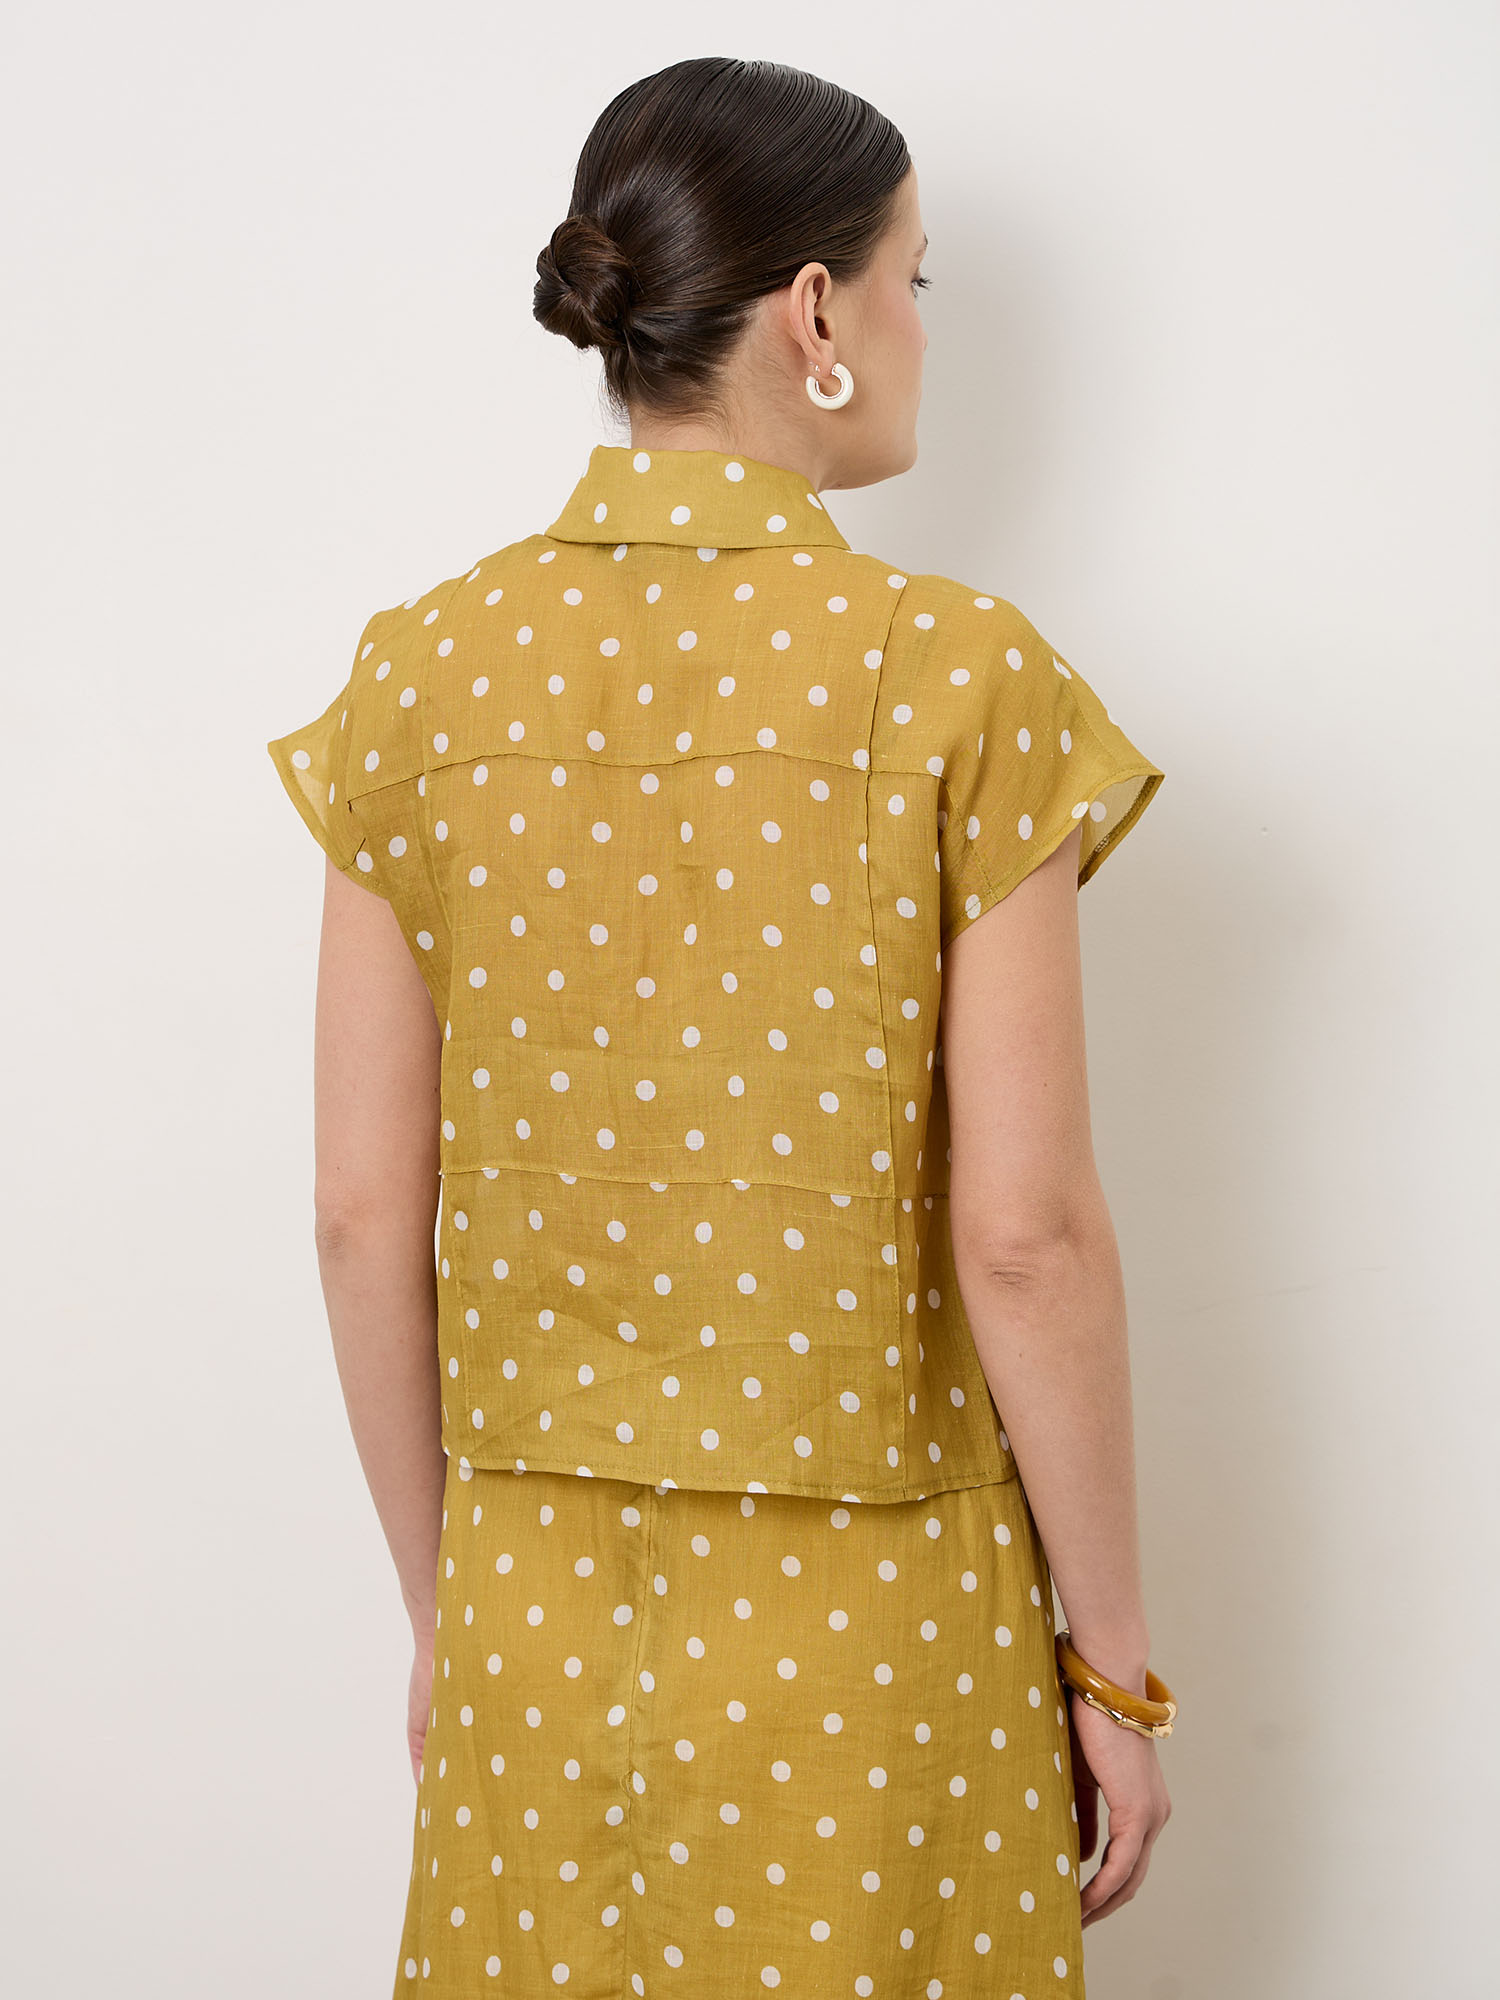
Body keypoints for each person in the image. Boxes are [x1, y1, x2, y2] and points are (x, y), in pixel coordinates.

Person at [266, 55, 1174, 2000]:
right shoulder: (959, 679)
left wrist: (447, 1604)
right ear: (818, 313)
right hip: (883, 1623)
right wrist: (1113, 1669)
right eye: (918, 279)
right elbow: (1026, 1238)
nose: (927, 326)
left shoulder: (420, 678)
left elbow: (359, 1209)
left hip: (535, 1607)